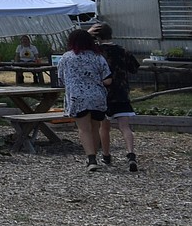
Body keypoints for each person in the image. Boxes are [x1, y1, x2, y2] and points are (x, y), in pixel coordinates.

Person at [57, 28, 111, 171]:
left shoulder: (66, 58)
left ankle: (91, 158)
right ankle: (94, 155)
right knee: (95, 127)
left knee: (83, 128)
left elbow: (61, 79)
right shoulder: (98, 57)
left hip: (77, 97)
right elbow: (107, 77)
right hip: (97, 95)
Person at [90, 23, 141, 171]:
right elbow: (134, 68)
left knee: (104, 127)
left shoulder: (96, 52)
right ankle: (131, 154)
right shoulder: (123, 50)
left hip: (103, 93)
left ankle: (106, 155)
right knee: (125, 127)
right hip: (121, 92)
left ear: (97, 36)